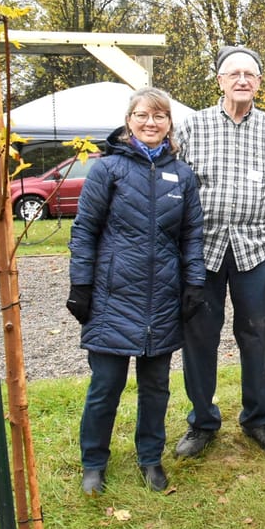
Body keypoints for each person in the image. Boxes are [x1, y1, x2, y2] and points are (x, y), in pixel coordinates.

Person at [68, 87, 205, 495]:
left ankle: (150, 458)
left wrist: (194, 282)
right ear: (129, 121)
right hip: (112, 297)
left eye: (159, 116)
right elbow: (85, 230)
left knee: (156, 387)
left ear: (169, 124)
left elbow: (192, 236)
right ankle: (94, 463)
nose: (151, 123)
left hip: (161, 298)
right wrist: (81, 284)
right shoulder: (107, 170)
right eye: (143, 115)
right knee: (105, 387)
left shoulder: (182, 175)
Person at [174, 46, 265, 457]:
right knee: (199, 338)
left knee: (255, 335)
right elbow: (172, 185)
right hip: (202, 252)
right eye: (234, 74)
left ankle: (259, 419)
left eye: (250, 74)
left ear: (259, 83)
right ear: (220, 81)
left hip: (257, 251)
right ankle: (202, 422)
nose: (242, 80)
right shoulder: (192, 127)